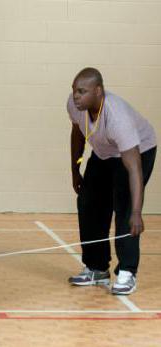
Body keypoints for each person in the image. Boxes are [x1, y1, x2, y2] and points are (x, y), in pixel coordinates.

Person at [67, 67, 156, 295]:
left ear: (98, 91)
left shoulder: (117, 117)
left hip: (137, 151)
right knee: (88, 202)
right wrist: (76, 169)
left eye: (82, 91)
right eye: (74, 90)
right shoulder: (76, 106)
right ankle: (96, 267)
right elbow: (78, 133)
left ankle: (127, 272)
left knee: (124, 208)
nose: (76, 95)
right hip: (105, 152)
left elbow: (134, 168)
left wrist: (137, 212)